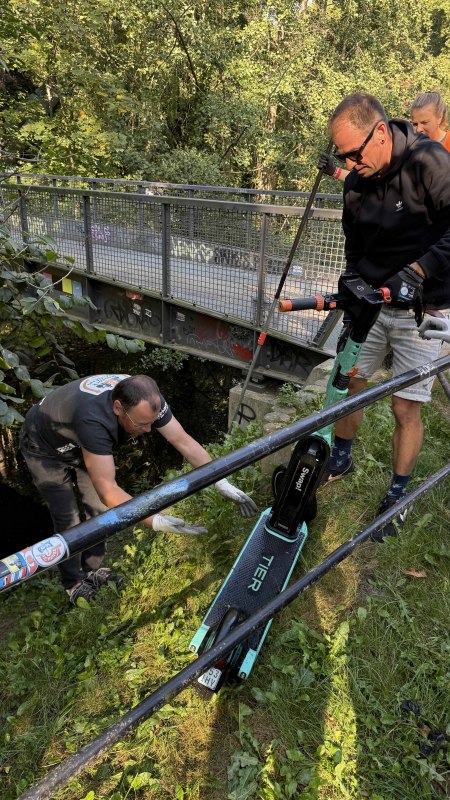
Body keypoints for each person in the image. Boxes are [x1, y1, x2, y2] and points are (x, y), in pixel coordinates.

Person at [322, 93, 450, 540]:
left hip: (425, 305)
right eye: (343, 157)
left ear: (379, 133)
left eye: (353, 154)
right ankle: (339, 459)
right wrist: (351, 283)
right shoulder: (356, 178)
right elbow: (354, 246)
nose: (349, 164)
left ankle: (398, 494)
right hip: (373, 302)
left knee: (404, 406)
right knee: (349, 382)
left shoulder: (429, 161)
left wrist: (418, 272)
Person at [20, 374, 258, 603]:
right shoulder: (93, 420)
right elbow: (108, 490)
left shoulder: (148, 399)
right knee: (68, 516)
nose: (147, 431)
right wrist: (155, 521)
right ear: (117, 408)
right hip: (45, 447)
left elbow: (182, 441)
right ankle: (74, 583)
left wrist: (220, 480)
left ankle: (92, 570)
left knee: (98, 510)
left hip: (81, 443)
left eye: (152, 423)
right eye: (141, 424)